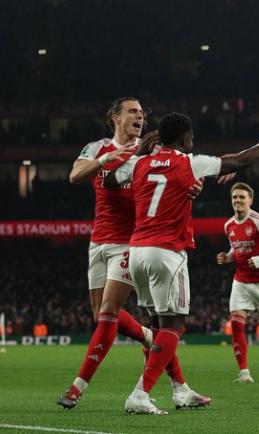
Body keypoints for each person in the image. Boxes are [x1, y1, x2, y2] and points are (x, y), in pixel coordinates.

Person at [106, 111, 259, 414]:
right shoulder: (190, 162)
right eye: (191, 137)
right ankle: (140, 394)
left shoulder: (139, 163)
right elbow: (242, 160)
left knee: (159, 327)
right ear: (185, 138)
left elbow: (109, 180)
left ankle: (181, 390)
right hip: (166, 252)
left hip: (137, 251)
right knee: (173, 326)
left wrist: (142, 151)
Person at [58, 97, 201, 410]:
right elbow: (75, 176)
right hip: (99, 241)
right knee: (101, 315)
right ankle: (160, 354)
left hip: (131, 242)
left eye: (142, 113)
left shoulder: (150, 149)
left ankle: (77, 388)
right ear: (115, 117)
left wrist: (190, 187)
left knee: (109, 312)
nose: (141, 117)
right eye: (133, 111)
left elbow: (175, 176)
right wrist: (107, 159)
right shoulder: (97, 147)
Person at [216, 182, 259, 382]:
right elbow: (236, 249)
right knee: (236, 323)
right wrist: (227, 257)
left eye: (242, 197)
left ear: (250, 200)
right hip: (241, 281)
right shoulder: (228, 225)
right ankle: (244, 372)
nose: (238, 200)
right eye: (235, 197)